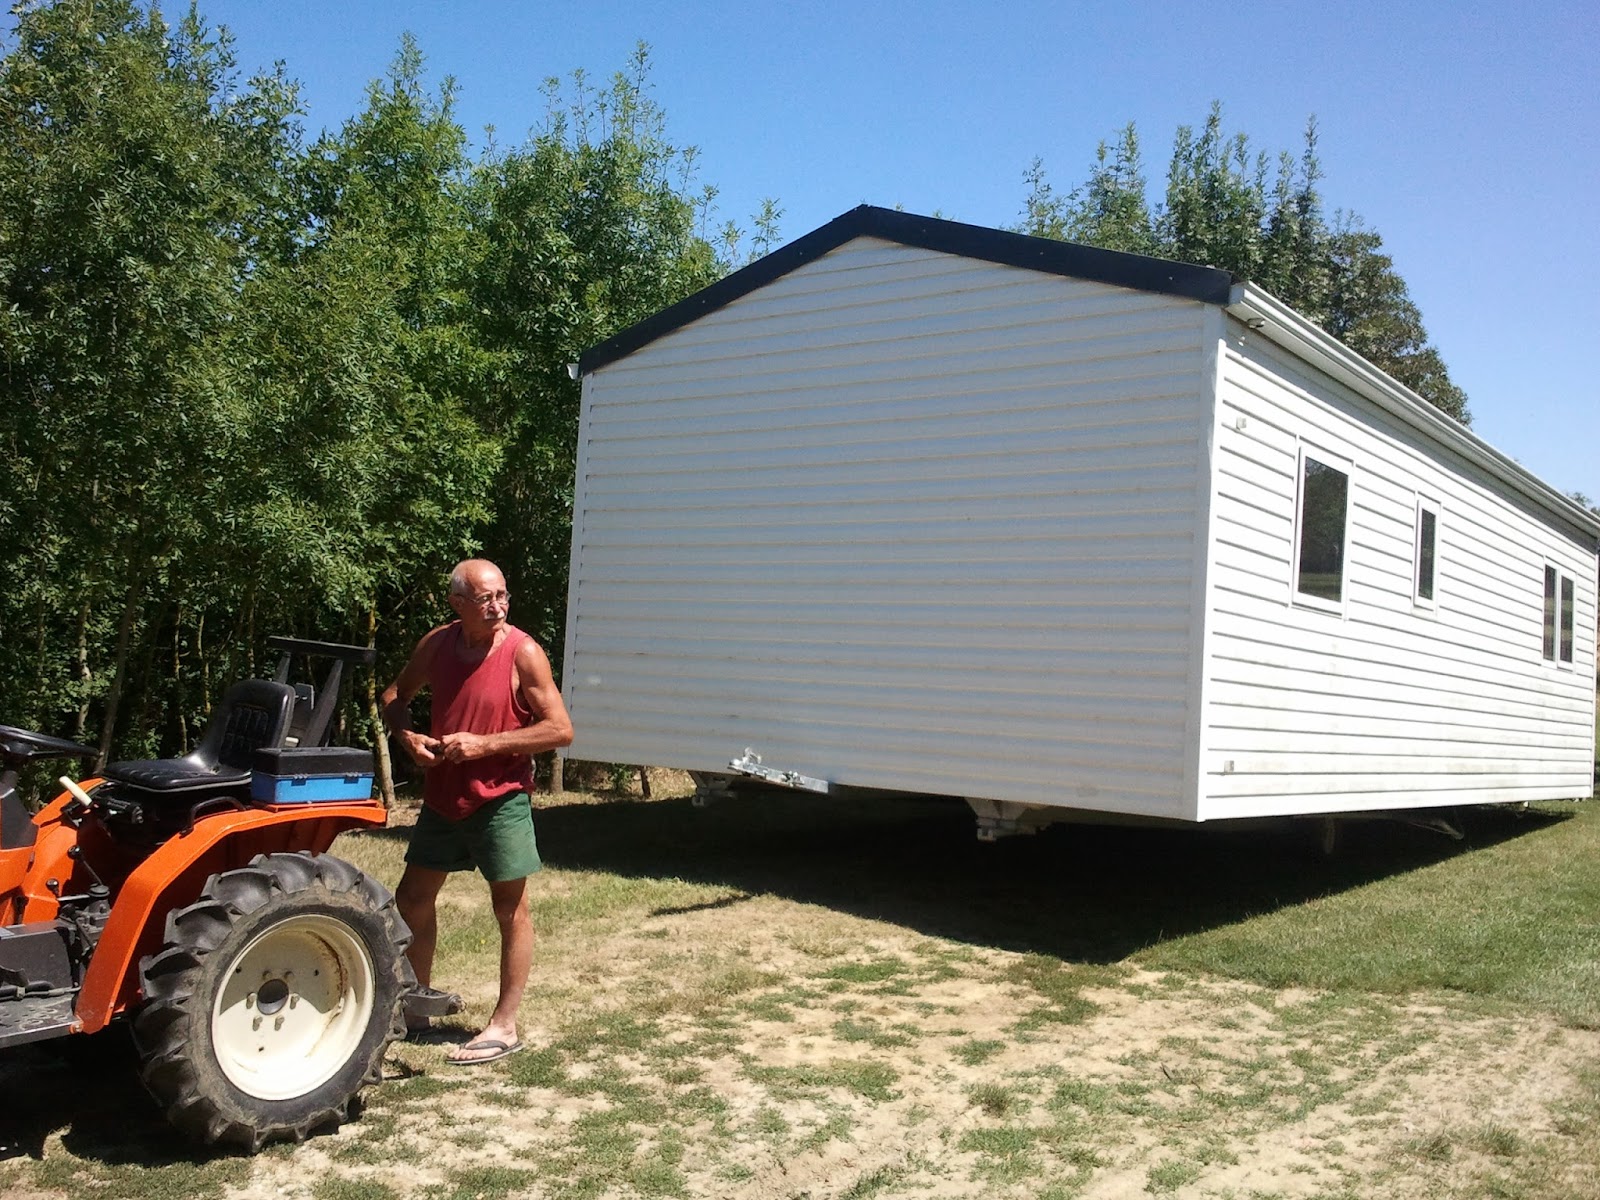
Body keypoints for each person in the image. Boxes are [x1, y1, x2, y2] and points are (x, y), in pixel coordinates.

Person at [381, 558, 573, 1064]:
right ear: (457, 603)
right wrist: (407, 736)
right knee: (412, 898)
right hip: (443, 797)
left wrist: (484, 745)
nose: (498, 606)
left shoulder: (523, 652)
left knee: (510, 908)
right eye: (486, 598)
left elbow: (560, 730)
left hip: (501, 798)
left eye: (502, 595)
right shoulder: (437, 643)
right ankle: (417, 1009)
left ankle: (504, 1026)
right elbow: (394, 696)